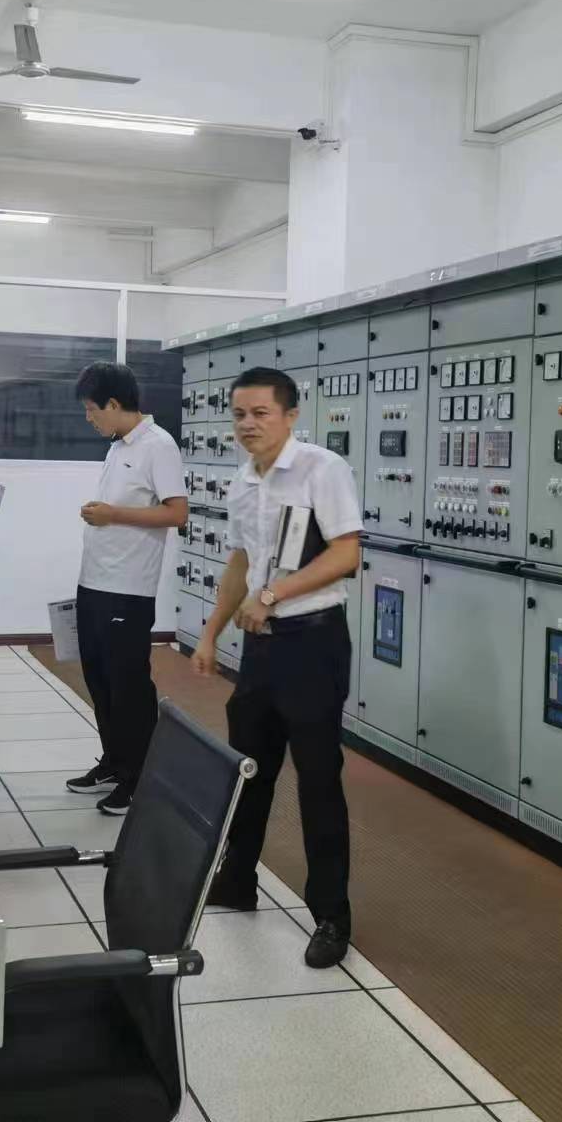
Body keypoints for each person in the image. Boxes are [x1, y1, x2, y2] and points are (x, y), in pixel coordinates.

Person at [193, 366, 362, 968]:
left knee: (318, 780)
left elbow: (346, 554)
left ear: (290, 416)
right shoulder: (242, 482)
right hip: (260, 646)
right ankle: (239, 880)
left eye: (261, 413)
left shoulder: (322, 469)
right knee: (250, 770)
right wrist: (210, 634)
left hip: (312, 642)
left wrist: (271, 596)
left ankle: (331, 916)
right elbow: (241, 564)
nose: (248, 424)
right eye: (239, 414)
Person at [66, 362, 188, 817]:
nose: (88, 418)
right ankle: (115, 762)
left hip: (128, 589)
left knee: (128, 686)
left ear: (115, 404)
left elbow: (177, 513)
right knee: (99, 679)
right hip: (94, 581)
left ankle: (139, 779)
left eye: (92, 409)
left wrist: (112, 515)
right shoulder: (118, 446)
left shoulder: (159, 446)